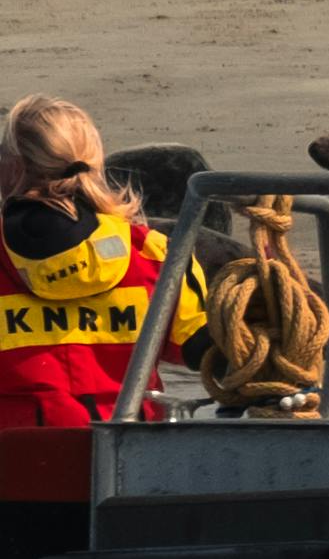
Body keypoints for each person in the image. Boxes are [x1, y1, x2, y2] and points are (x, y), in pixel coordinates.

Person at [0, 97, 207, 430]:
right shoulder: (154, 253)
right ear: (93, 162)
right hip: (130, 457)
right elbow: (201, 351)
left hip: (20, 463)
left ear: (13, 169)